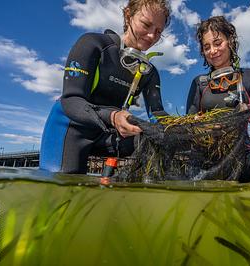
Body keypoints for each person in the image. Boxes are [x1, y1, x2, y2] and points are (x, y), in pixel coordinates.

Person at [40, 0, 170, 173]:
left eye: (158, 32)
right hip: (70, 128)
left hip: (109, 133)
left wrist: (184, 126)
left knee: (154, 141)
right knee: (66, 190)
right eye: (146, 24)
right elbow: (71, 100)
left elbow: (157, 114)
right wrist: (113, 116)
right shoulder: (93, 44)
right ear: (128, 16)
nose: (151, 36)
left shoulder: (149, 72)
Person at [186, 16, 250, 182]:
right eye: (207, 47)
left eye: (218, 43)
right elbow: (189, 124)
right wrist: (197, 124)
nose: (213, 50)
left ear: (230, 41)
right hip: (204, 160)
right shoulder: (199, 83)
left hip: (242, 156)